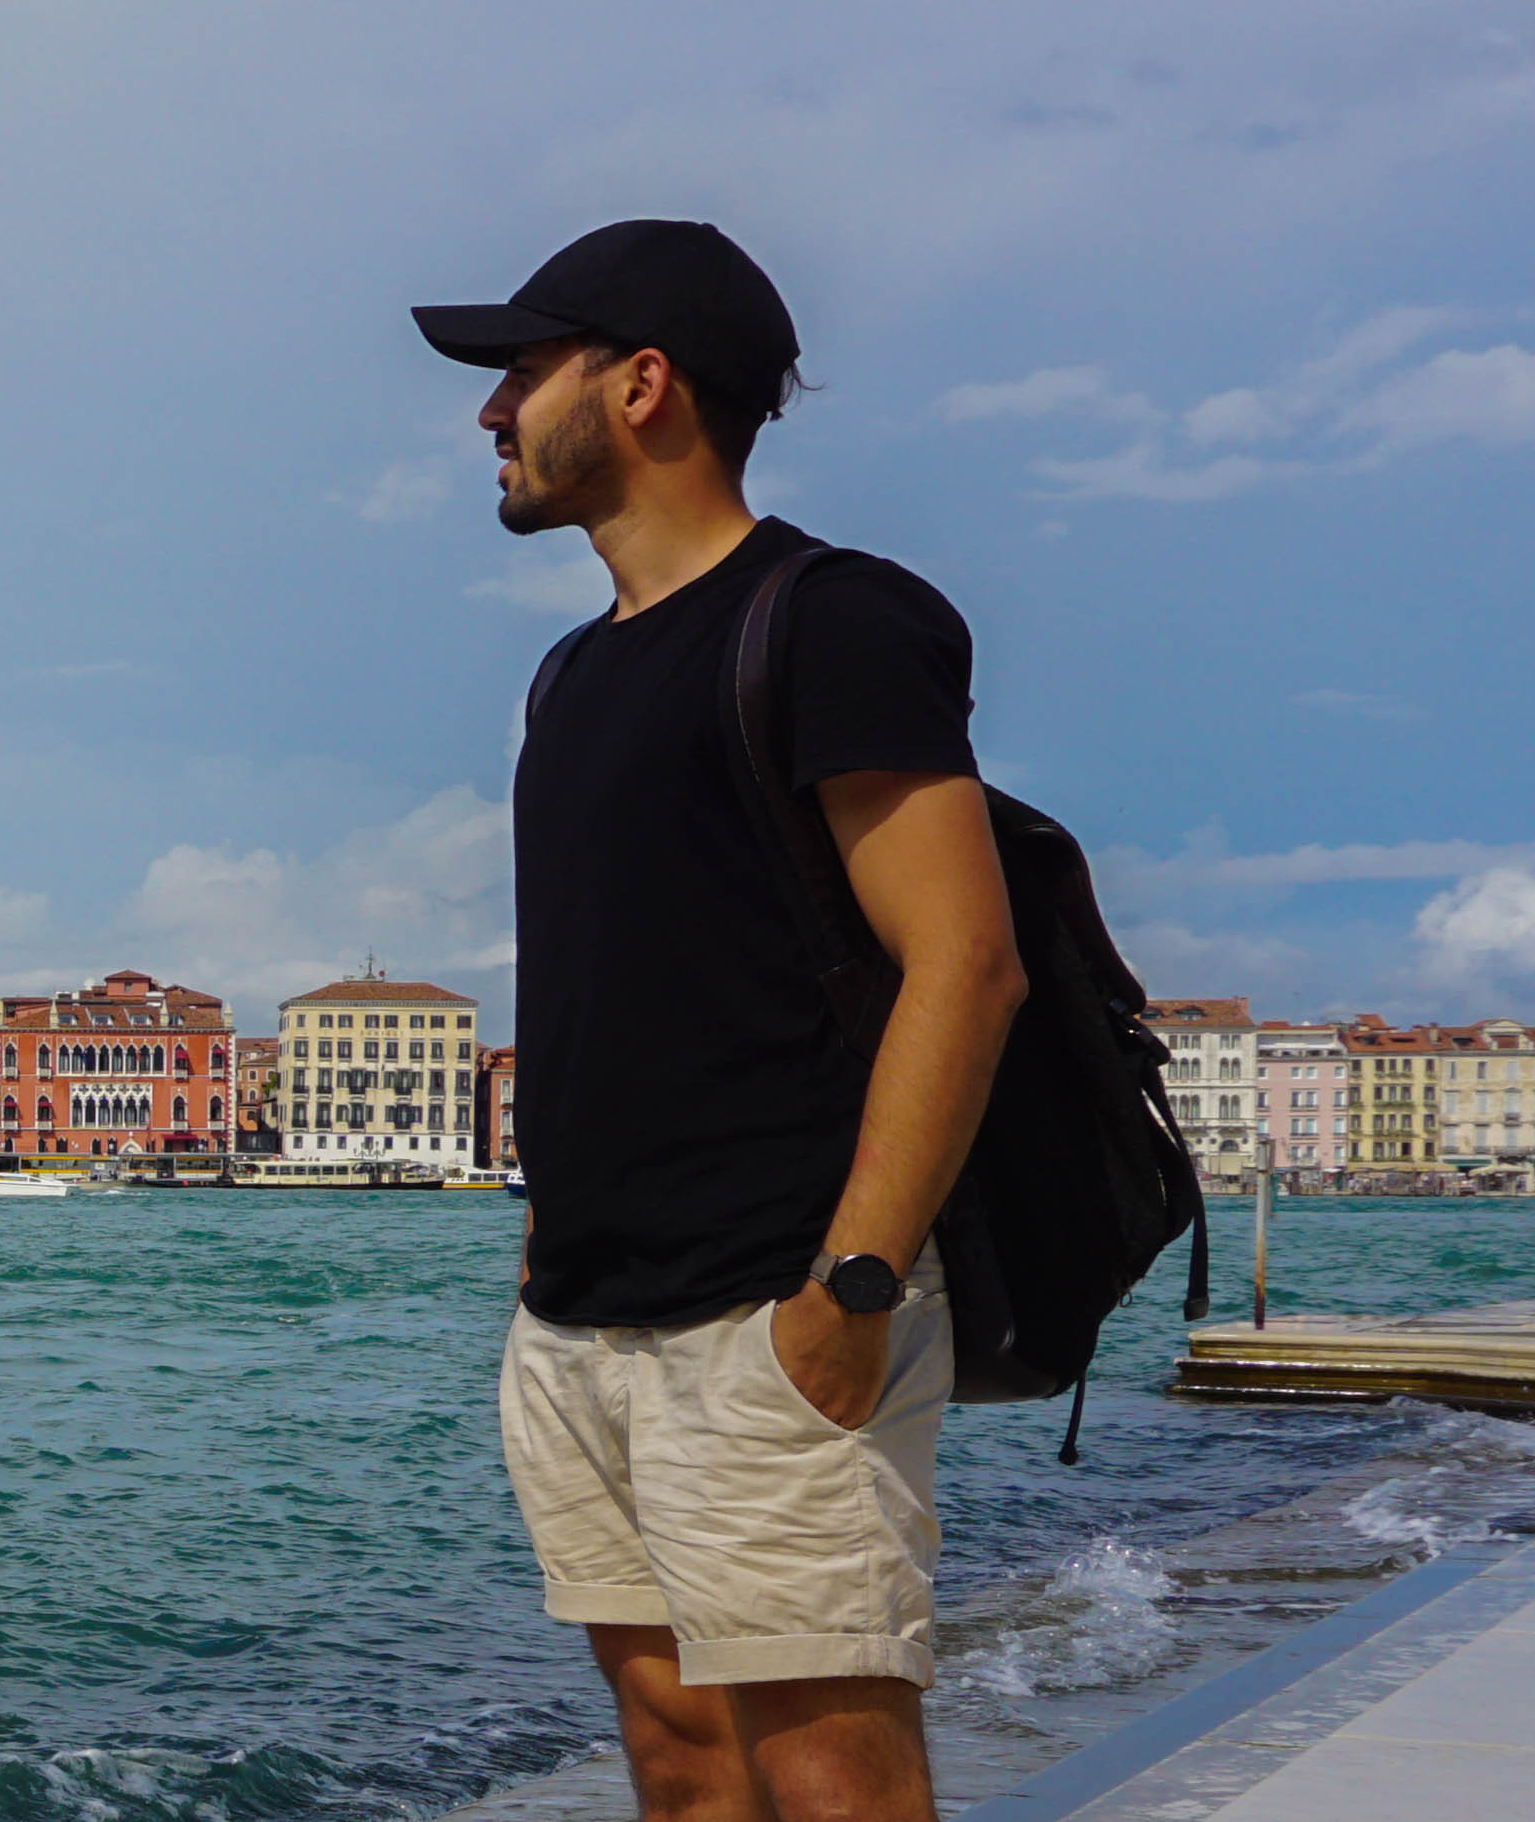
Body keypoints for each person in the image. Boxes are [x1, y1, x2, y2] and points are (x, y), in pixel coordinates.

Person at [416, 222, 1025, 1822]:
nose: (490, 411)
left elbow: (966, 961)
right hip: (583, 1322)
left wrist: (857, 1285)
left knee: (832, 1776)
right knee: (681, 1766)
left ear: (642, 384)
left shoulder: (831, 619)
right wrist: (553, 1253)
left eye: (521, 372)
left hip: (778, 1303)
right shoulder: (570, 675)